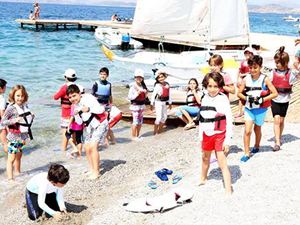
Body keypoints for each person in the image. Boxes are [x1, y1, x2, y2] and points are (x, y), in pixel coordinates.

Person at [237, 55, 278, 162]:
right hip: (249, 109)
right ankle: (246, 153)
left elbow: (275, 93)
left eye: (255, 68)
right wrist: (246, 98)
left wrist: (262, 100)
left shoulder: (265, 79)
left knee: (257, 129)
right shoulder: (246, 79)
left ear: (260, 67)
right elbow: (239, 93)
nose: (253, 70)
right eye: (250, 68)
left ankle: (256, 145)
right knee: (247, 131)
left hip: (261, 109)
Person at [197, 72, 232, 195]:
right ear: (206, 86)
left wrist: (227, 141)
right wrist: (201, 135)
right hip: (207, 134)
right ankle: (203, 178)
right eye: (210, 86)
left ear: (220, 86)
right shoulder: (204, 98)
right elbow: (202, 118)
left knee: (221, 161)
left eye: (215, 86)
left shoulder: (223, 99)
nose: (212, 89)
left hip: (219, 135)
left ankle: (228, 189)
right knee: (204, 157)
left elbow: (229, 120)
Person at [67, 84, 108, 180]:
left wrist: (88, 109)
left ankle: (96, 172)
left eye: (74, 96)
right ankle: (92, 169)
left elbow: (101, 109)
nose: (72, 99)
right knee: (86, 147)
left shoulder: (88, 98)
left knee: (93, 147)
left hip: (101, 123)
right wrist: (76, 114)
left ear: (79, 94)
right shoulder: (74, 106)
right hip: (90, 126)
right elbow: (79, 122)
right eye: (70, 97)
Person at [1, 85, 34, 182]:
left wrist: (31, 116)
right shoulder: (11, 108)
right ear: (13, 96)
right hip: (13, 137)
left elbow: (26, 121)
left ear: (25, 96)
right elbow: (3, 122)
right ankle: (10, 178)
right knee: (11, 158)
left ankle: (18, 173)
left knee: (19, 156)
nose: (20, 98)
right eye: (18, 95)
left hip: (22, 136)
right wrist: (15, 120)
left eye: (22, 96)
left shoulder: (25, 106)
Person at [269, 46, 299, 151]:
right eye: (275, 62)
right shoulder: (272, 73)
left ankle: (279, 137)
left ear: (285, 63)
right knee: (276, 120)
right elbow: (266, 82)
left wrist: (296, 67)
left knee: (281, 120)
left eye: (278, 63)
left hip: (285, 100)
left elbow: (297, 75)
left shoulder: (291, 74)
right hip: (275, 99)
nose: (276, 64)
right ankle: (277, 142)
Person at [54, 69, 82, 152]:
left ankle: (64, 149)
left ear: (66, 77)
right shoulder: (77, 87)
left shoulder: (64, 88)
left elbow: (55, 97)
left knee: (65, 131)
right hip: (76, 112)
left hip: (66, 113)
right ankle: (76, 147)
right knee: (73, 131)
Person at [91, 67, 115, 145]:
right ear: (99, 74)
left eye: (104, 74)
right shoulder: (96, 83)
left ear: (107, 75)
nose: (102, 76)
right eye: (101, 74)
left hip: (107, 106)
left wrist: (111, 104)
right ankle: (96, 139)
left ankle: (106, 140)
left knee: (106, 124)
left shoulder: (109, 84)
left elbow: (110, 95)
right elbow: (92, 95)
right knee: (97, 123)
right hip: (98, 107)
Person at [128, 69, 148, 141]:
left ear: (142, 78)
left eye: (140, 77)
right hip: (135, 106)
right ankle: (133, 136)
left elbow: (145, 97)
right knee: (135, 122)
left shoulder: (143, 86)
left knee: (140, 121)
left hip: (142, 106)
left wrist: (145, 93)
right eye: (137, 77)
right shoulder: (133, 87)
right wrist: (137, 94)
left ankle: (138, 135)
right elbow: (129, 97)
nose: (139, 79)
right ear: (135, 78)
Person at [150, 70, 172, 135]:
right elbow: (153, 95)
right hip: (158, 103)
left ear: (164, 77)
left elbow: (169, 94)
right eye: (159, 77)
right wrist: (152, 104)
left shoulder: (167, 85)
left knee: (164, 117)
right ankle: (155, 132)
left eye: (162, 77)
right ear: (157, 79)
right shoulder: (157, 86)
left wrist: (170, 103)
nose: (161, 78)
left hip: (164, 103)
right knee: (159, 117)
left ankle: (160, 131)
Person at [235, 47, 255, 118]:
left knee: (250, 95)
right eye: (246, 54)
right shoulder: (243, 63)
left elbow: (251, 72)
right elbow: (239, 71)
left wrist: (243, 74)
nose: (247, 55)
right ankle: (239, 111)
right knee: (241, 96)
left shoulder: (253, 63)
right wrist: (237, 80)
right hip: (243, 82)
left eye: (249, 54)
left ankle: (251, 110)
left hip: (251, 81)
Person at [0, 79, 8, 154]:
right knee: (5, 142)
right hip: (1, 123)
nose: (6, 88)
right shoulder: (2, 99)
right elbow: (2, 112)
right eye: (5, 87)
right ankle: (10, 158)